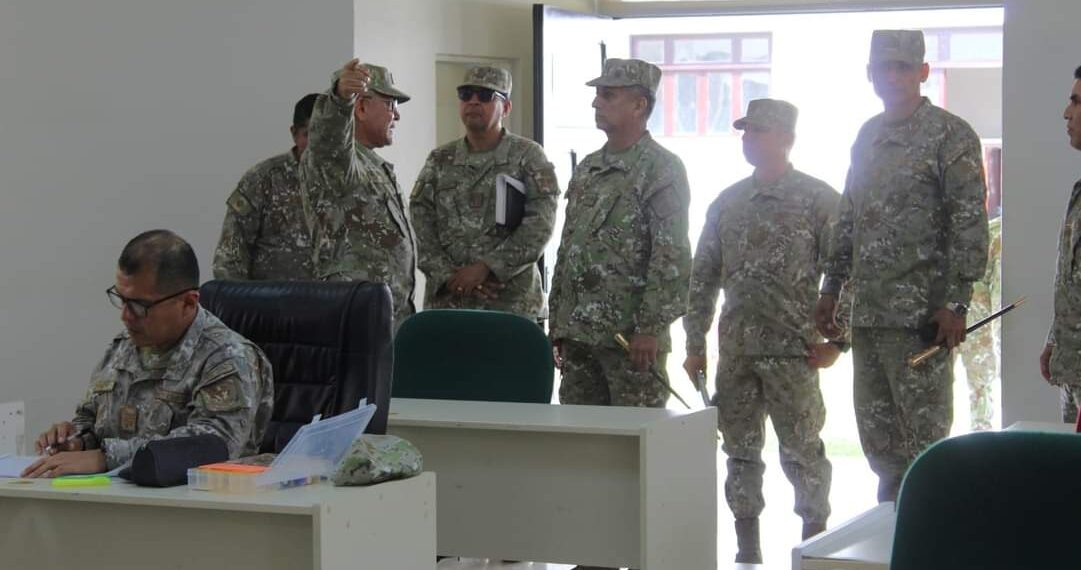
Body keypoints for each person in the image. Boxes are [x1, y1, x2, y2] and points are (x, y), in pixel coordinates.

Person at [815, 30, 989, 503]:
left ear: (923, 72)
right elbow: (848, 217)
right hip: (869, 319)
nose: (892, 77)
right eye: (882, 68)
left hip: (922, 323)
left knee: (926, 452)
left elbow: (969, 223)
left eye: (902, 67)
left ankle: (931, 533)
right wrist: (830, 289)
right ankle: (891, 532)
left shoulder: (950, 135)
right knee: (880, 449)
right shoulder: (867, 136)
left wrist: (956, 304)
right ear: (869, 74)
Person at [683, 99, 842, 563]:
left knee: (803, 453)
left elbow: (845, 273)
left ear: (786, 138)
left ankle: (814, 549)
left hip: (795, 354)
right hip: (737, 355)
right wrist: (695, 344)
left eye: (759, 131)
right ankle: (747, 552)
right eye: (746, 131)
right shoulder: (728, 203)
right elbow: (703, 277)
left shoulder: (818, 200)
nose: (749, 139)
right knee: (739, 453)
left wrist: (838, 341)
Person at [548, 57, 691, 570]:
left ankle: (643, 556)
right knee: (585, 457)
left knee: (636, 459)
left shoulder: (661, 169)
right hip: (580, 336)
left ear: (639, 104)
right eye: (598, 93)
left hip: (630, 342)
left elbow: (671, 255)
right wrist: (557, 321)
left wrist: (652, 326)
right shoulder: (590, 167)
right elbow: (570, 246)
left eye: (608, 95)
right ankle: (594, 557)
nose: (596, 102)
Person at [22, 230, 273, 478]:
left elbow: (213, 447)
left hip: (196, 500)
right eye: (122, 299)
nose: (125, 315)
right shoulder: (123, 347)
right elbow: (90, 418)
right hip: (111, 495)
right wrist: (76, 441)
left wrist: (105, 458)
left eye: (139, 305)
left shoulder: (228, 358)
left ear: (188, 302)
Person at [410, 66, 559, 320]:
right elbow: (421, 219)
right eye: (466, 95)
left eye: (485, 96)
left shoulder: (528, 156)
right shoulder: (440, 159)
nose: (473, 102)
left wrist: (487, 268)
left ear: (506, 107)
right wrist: (448, 275)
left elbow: (541, 224)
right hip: (450, 301)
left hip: (510, 302)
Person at [301, 59, 417, 329]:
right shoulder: (338, 164)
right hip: (353, 318)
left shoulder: (373, 165)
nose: (397, 115)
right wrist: (340, 100)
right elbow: (328, 139)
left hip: (388, 319)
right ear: (362, 107)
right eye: (390, 104)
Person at [212, 93, 320, 280]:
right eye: (308, 134)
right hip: (272, 297)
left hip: (337, 297)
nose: (317, 144)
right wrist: (236, 297)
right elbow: (229, 257)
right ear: (294, 134)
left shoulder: (352, 183)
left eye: (325, 135)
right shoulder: (262, 179)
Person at [1040, 64, 1081, 423]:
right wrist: (1056, 339)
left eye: (1077, 102)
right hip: (1073, 370)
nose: (1067, 113)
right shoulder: (1079, 191)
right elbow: (1071, 278)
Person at [958, 214, 1001, 431]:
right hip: (973, 319)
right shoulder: (994, 232)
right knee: (979, 383)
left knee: (981, 382)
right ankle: (981, 429)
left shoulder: (999, 234)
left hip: (986, 327)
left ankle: (982, 429)